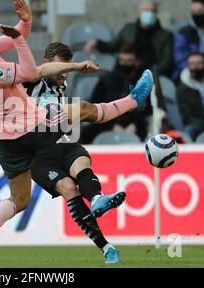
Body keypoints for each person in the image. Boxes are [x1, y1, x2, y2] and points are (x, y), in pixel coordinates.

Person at [0, 0, 153, 267]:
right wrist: (27, 43)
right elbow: (29, 70)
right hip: (32, 127)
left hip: (6, 141)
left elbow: (11, 39)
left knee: (19, 199)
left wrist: (25, 22)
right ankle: (134, 101)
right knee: (83, 110)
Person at [24, 42, 153, 263]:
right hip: (35, 151)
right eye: (61, 68)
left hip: (61, 140)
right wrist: (75, 66)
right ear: (47, 64)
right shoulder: (31, 79)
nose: (64, 74)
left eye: (66, 69)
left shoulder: (59, 86)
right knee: (68, 187)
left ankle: (96, 199)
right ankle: (105, 246)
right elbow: (40, 72)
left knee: (82, 165)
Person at [81, 44, 152, 144]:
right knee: (85, 132)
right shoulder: (107, 80)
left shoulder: (144, 82)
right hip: (107, 122)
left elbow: (148, 108)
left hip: (136, 124)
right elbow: (95, 105)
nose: (124, 64)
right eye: (122, 60)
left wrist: (135, 124)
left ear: (137, 62)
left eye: (129, 61)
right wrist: (112, 125)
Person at [84, 0, 173, 77]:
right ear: (139, 13)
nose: (149, 14)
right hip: (126, 69)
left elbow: (167, 60)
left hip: (149, 74)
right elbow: (112, 46)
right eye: (146, 10)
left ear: (156, 14)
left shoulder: (166, 35)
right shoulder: (128, 29)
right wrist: (97, 42)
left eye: (152, 11)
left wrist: (151, 73)